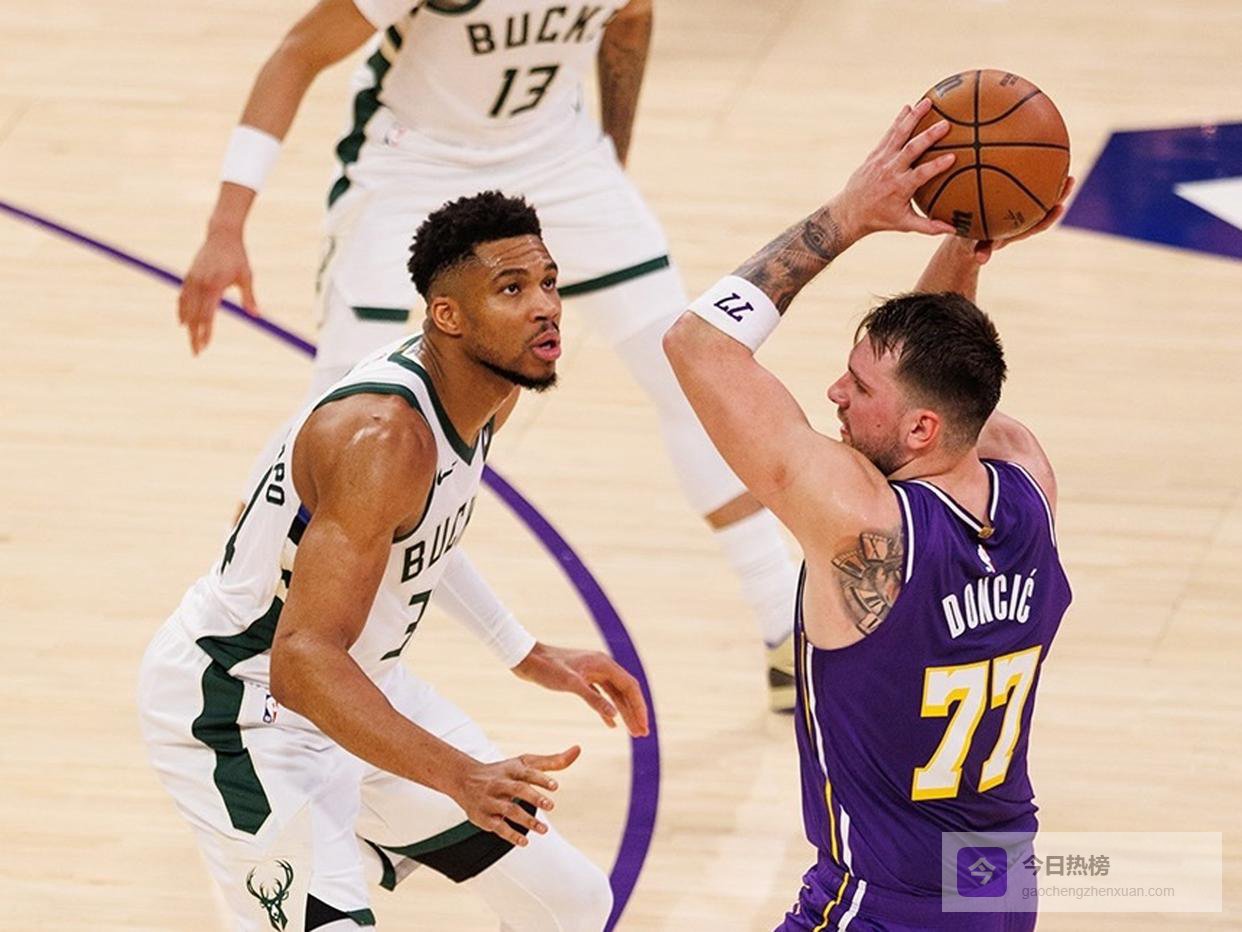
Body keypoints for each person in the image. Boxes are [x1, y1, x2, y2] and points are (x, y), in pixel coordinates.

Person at [175, 0, 803, 711]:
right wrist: (226, 225)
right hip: (413, 162)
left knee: (684, 372)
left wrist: (610, 159)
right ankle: (232, 626)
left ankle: (783, 621)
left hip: (559, 157)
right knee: (338, 424)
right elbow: (298, 51)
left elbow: (630, 19)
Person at [141, 191, 649, 932]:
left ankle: (326, 841)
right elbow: (300, 662)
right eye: (512, 289)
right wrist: (460, 775)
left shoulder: (487, 388)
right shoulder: (381, 440)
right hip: (242, 710)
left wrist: (524, 650)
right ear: (449, 315)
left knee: (571, 906)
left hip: (357, 691)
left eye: (548, 282)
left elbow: (419, 538)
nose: (546, 307)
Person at [663, 99, 1074, 930]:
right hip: (1000, 888)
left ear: (919, 429)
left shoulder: (861, 524)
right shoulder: (1026, 477)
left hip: (882, 906)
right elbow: (945, 375)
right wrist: (968, 243)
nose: (834, 394)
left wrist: (849, 215)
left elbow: (698, 345)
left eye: (858, 387)